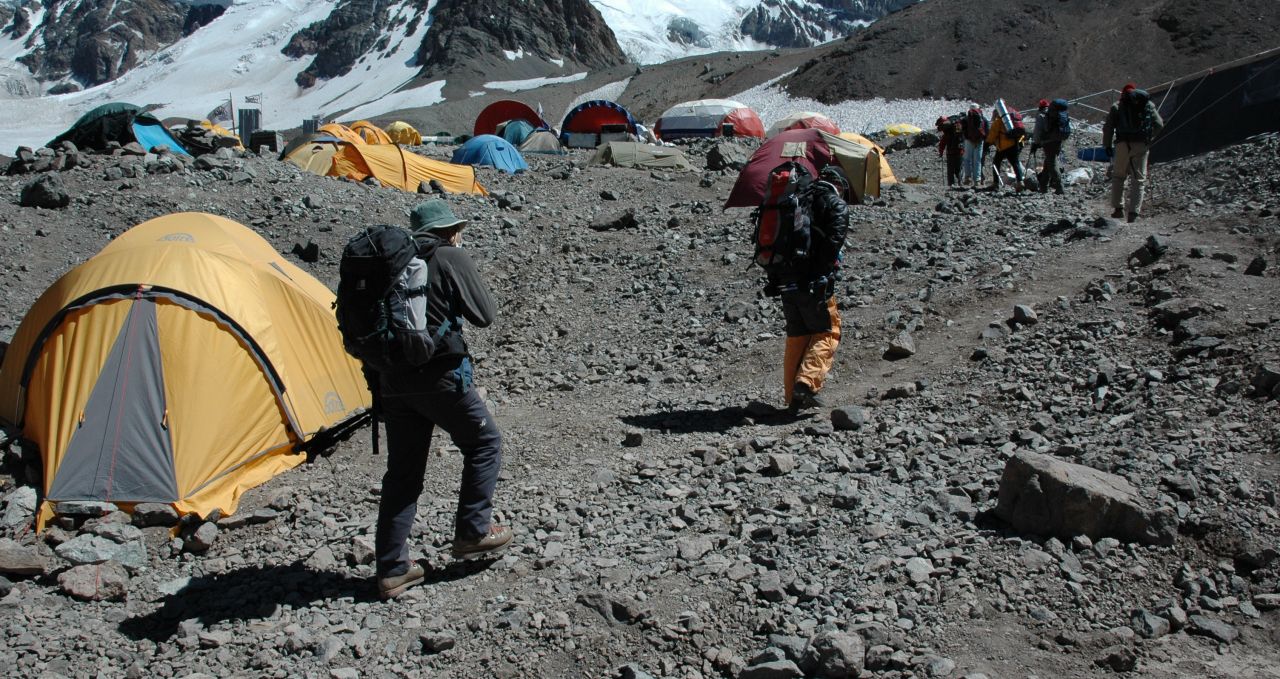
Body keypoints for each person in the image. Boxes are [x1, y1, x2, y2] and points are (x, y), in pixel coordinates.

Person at [374, 200, 511, 600]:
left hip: (392, 382)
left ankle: (392, 569)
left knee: (403, 474)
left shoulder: (392, 259)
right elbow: (485, 315)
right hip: (440, 375)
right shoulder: (449, 254)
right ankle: (473, 532)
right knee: (484, 442)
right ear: (448, 230)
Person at [771, 165, 851, 410]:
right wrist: (822, 272)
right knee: (828, 331)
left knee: (798, 336)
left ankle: (791, 396)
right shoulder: (834, 204)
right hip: (814, 282)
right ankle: (806, 383)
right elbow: (833, 242)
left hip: (785, 280)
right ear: (838, 185)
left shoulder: (796, 199)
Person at [1103, 82, 1165, 222]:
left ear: (1123, 94)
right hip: (1140, 145)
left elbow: (1108, 128)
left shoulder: (1117, 107)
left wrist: (1106, 145)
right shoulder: (1147, 105)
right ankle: (1134, 213)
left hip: (1122, 144)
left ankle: (1118, 209)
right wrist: (1149, 138)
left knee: (1119, 176)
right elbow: (1159, 125)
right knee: (1138, 180)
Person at [985, 103, 1027, 190]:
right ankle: (1020, 182)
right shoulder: (1011, 119)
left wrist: (987, 144)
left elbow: (992, 135)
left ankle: (996, 183)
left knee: (996, 163)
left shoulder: (998, 121)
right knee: (1015, 163)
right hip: (1014, 144)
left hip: (1003, 147)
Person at [1036, 98, 1070, 195]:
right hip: (1059, 140)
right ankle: (1043, 186)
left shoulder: (1043, 115)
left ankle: (1060, 187)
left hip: (1049, 141)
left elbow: (1040, 130)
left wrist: (1037, 142)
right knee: (1048, 162)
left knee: (1052, 163)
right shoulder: (1058, 114)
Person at [960, 105, 988, 186]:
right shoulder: (983, 118)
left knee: (967, 159)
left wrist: (967, 137)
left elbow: (962, 129)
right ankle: (977, 180)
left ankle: (968, 177)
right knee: (977, 161)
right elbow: (987, 130)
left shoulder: (966, 118)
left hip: (968, 141)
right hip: (979, 142)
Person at [936, 115, 965, 187]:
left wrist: (941, 152)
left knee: (950, 170)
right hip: (960, 151)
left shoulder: (947, 133)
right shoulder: (957, 127)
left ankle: (951, 184)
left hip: (950, 152)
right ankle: (960, 182)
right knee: (959, 168)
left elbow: (942, 143)